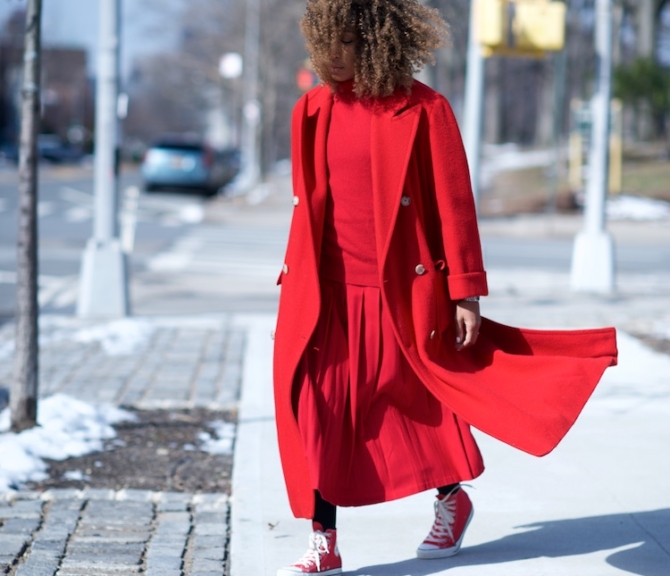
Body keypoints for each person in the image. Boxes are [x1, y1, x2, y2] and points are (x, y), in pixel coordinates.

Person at [273, 1, 618, 574]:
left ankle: (451, 501)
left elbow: (454, 207)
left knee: (413, 405)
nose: (333, 56)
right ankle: (323, 539)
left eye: (348, 43)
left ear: (378, 41)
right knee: (319, 407)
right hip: (326, 293)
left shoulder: (423, 109)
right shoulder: (311, 109)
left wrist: (465, 291)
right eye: (324, 42)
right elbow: (307, 208)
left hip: (398, 293)